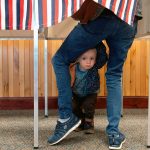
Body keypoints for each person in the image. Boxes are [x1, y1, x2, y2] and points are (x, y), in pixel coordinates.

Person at [48, 0, 142, 149]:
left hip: (104, 12)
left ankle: (66, 118)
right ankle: (114, 133)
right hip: (129, 17)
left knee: (59, 60)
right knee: (115, 75)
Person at [70, 42, 108, 134]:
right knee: (74, 107)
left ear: (95, 60)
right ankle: (80, 121)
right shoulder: (74, 67)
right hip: (76, 92)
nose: (88, 62)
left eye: (92, 58)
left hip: (91, 92)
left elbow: (103, 57)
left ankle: (89, 122)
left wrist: (97, 41)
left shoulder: (94, 67)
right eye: (84, 58)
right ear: (78, 59)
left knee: (88, 106)